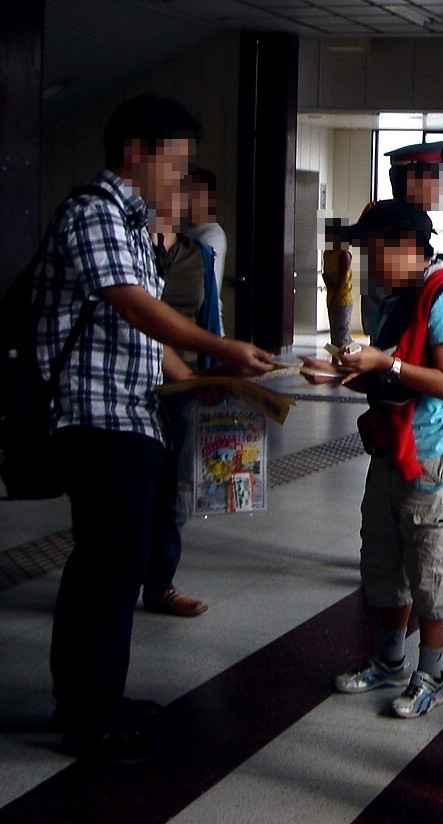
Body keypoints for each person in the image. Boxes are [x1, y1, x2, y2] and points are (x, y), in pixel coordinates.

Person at [32, 95, 275, 763]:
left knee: (118, 565)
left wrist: (203, 379)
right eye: (173, 163)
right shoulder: (93, 213)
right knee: (105, 569)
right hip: (97, 418)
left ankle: (99, 698)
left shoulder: (133, 224)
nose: (179, 179)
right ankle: (85, 713)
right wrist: (222, 350)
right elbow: (135, 308)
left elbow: (145, 341)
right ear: (135, 152)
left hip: (132, 415)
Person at [302, 200, 443, 721]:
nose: (372, 264)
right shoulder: (392, 301)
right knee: (384, 558)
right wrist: (339, 375)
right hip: (387, 452)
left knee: (430, 566)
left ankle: (432, 673)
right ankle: (390, 659)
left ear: (406, 246)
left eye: (377, 251)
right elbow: (385, 380)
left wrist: (384, 361)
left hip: (430, 459)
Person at [142, 179, 223, 620]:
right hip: (133, 383)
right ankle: (118, 576)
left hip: (184, 388)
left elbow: (207, 323)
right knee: (134, 484)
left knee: (175, 488)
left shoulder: (200, 255)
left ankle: (160, 585)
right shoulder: (134, 251)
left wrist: (213, 374)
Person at [361, 140, 443, 332]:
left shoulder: (412, 219)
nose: (440, 190)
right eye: (435, 181)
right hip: (398, 329)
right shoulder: (395, 223)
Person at [183, 168, 226, 330]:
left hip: (207, 322)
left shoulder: (212, 234)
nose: (189, 199)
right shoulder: (183, 231)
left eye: (196, 194)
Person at [322, 219, 354, 349]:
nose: (327, 237)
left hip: (343, 299)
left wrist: (334, 297)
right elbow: (326, 275)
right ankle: (335, 359)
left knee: (342, 332)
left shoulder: (343, 255)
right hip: (332, 297)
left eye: (330, 234)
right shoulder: (327, 253)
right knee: (334, 332)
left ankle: (352, 356)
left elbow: (341, 282)